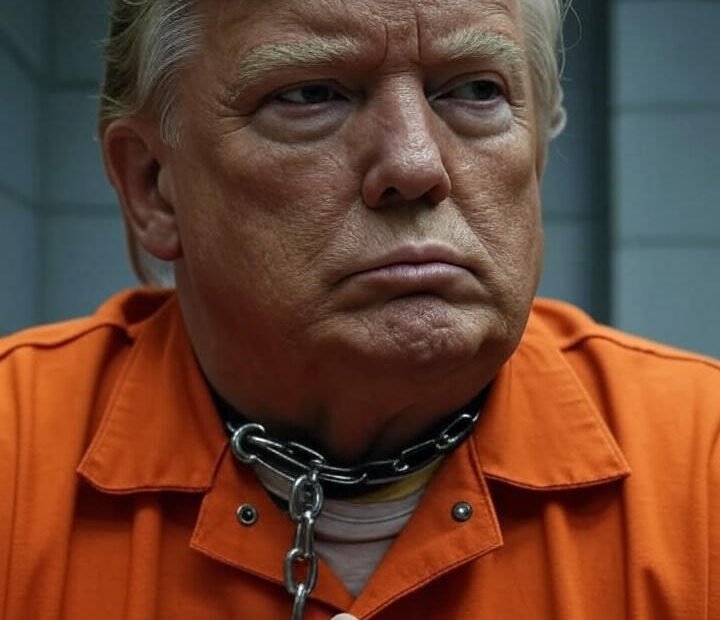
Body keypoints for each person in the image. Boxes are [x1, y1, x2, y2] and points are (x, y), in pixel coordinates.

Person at [1, 0, 719, 618]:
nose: (415, 165)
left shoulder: (699, 466)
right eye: (311, 94)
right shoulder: (18, 457)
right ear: (153, 185)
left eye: (475, 90)